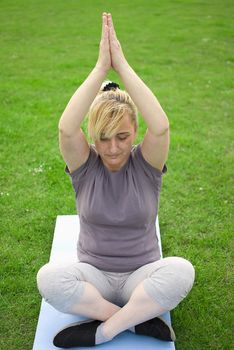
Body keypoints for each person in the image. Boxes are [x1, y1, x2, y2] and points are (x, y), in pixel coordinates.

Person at [37, 12, 195, 348]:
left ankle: (102, 330)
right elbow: (67, 128)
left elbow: (162, 126)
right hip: (94, 276)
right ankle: (136, 321)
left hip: (142, 274)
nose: (112, 148)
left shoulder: (147, 163)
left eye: (122, 136)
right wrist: (99, 69)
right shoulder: (85, 164)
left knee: (182, 270)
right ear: (93, 135)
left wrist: (121, 65)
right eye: (103, 137)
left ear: (135, 132)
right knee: (48, 278)